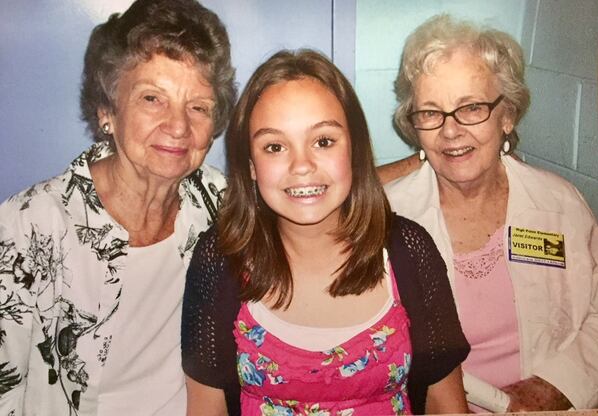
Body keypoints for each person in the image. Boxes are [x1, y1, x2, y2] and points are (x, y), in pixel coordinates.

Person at [181, 49, 470, 416]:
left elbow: (447, 405)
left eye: (323, 141)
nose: (302, 166)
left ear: (354, 148)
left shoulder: (409, 251)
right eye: (275, 147)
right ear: (252, 166)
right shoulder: (219, 258)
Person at [0, 0, 235, 414]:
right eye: (152, 99)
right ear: (108, 110)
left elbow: (304, 191)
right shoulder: (28, 227)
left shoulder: (215, 199)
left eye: (198, 106)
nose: (179, 126)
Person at [384, 14, 598, 412]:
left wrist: (547, 390)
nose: (450, 131)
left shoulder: (561, 205)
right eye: (431, 113)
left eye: (471, 108)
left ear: (508, 115)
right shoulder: (387, 220)